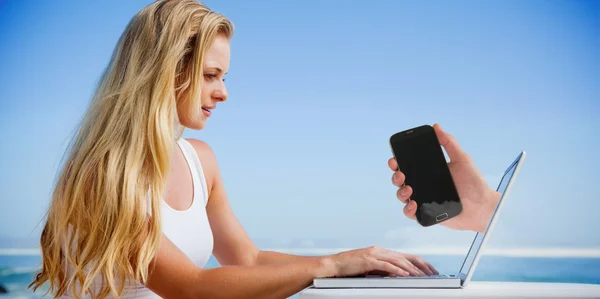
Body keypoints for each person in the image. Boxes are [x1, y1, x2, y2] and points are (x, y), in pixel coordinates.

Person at [29, 1, 499, 298]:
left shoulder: (201, 161)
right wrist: (332, 265)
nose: (224, 93)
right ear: (162, 73)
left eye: (224, 77)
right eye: (211, 76)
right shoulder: (102, 174)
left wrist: (357, 261)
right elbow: (190, 289)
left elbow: (247, 261)